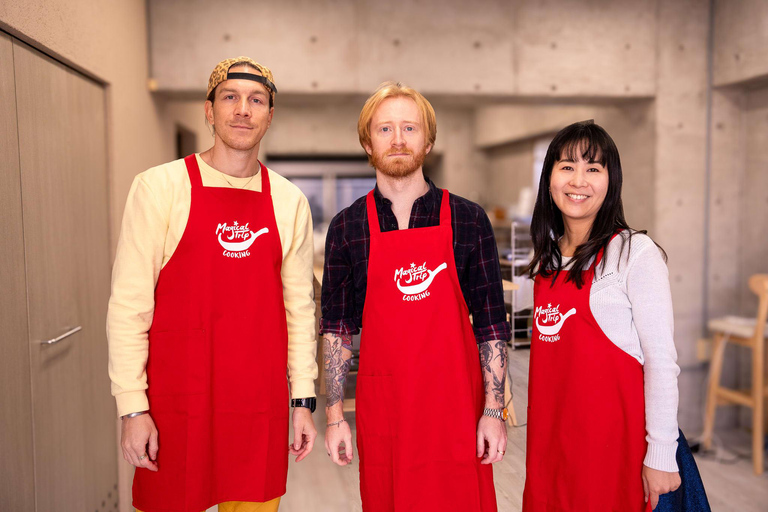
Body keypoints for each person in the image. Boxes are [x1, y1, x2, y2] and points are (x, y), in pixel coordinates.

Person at [107, 57, 318, 512]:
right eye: (230, 97)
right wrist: (132, 407)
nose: (243, 109)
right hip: (177, 406)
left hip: (256, 406)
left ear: (269, 115)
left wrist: (303, 399)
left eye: (256, 100)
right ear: (209, 110)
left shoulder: (289, 201)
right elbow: (129, 308)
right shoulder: (159, 188)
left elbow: (299, 311)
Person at [321, 81, 510, 511]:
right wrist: (334, 418)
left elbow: (492, 324)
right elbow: (336, 330)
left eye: (410, 128)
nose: (399, 139)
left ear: (428, 141)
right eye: (385, 129)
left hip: (457, 409)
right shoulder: (347, 227)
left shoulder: (467, 219)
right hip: (386, 410)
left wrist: (493, 412)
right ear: (368, 142)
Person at [522, 120, 710, 511]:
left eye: (593, 169)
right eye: (567, 166)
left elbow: (661, 362)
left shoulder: (633, 254)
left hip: (614, 456)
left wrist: (660, 454)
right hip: (551, 451)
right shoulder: (547, 261)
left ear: (611, 182)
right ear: (550, 177)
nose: (579, 180)